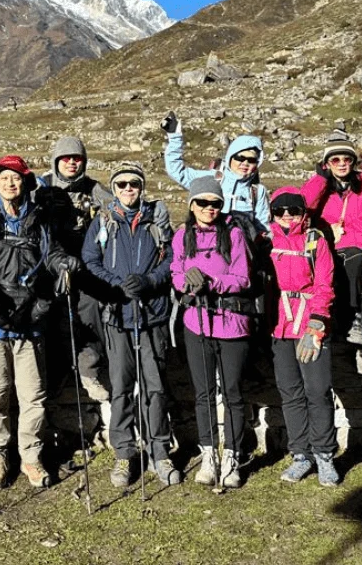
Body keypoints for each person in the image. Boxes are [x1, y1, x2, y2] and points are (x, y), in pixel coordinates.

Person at [0, 156, 78, 490]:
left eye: (16, 179)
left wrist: (63, 263)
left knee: (33, 396)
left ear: (26, 184)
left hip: (31, 319)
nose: (10, 184)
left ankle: (31, 456)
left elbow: (51, 254)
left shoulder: (40, 222)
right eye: (4, 179)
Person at [82, 162, 178, 489]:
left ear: (141, 186)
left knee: (155, 387)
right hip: (118, 315)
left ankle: (159, 450)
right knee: (121, 387)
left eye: (133, 184)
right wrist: (116, 284)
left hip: (152, 316)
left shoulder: (156, 219)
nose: (127, 189)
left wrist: (150, 281)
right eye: (121, 184)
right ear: (114, 188)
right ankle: (124, 452)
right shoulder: (103, 221)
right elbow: (90, 261)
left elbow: (171, 259)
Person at [170, 176, 251, 489]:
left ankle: (232, 456)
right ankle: (209, 455)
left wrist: (212, 283)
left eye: (215, 203)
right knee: (203, 392)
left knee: (232, 393)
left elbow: (242, 278)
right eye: (202, 202)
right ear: (192, 205)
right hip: (197, 321)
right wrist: (187, 283)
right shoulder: (183, 235)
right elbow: (176, 272)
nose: (209, 208)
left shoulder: (234, 234)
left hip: (232, 322)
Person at [34, 136, 114, 447]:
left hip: (86, 267)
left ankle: (89, 370)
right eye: (65, 158)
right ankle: (53, 382)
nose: (71, 162)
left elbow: (116, 208)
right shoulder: (41, 187)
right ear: (56, 161)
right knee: (50, 321)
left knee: (91, 312)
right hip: (48, 267)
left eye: (77, 158)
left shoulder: (94, 190)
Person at [301, 129, 362, 376]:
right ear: (327, 163)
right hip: (332, 247)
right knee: (355, 260)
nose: (342, 164)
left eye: (347, 159)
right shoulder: (322, 187)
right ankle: (355, 323)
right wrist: (320, 179)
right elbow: (304, 205)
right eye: (335, 160)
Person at [266, 186, 339, 487]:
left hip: (310, 323)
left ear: (303, 213)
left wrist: (317, 324)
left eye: (293, 210)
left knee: (318, 391)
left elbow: (325, 284)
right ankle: (300, 454)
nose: (287, 215)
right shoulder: (266, 241)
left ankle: (324, 455)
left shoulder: (315, 241)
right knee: (291, 392)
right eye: (280, 210)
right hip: (279, 325)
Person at [162, 115, 271, 231]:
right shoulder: (209, 179)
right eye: (240, 158)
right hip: (209, 241)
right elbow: (176, 171)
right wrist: (175, 138)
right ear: (230, 157)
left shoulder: (257, 192)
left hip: (241, 242)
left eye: (251, 160)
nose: (245, 163)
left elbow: (262, 228)